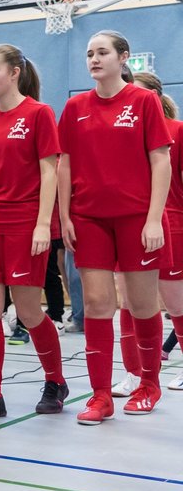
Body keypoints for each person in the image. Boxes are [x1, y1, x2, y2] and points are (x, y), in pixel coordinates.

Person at [58, 31, 172, 424]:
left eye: (102, 52)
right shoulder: (75, 107)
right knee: (96, 306)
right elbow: (65, 164)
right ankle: (101, 396)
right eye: (89, 53)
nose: (94, 59)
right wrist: (65, 215)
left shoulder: (143, 101)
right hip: (89, 218)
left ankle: (149, 384)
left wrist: (155, 217)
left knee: (141, 305)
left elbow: (161, 161)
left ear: (123, 58)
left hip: (137, 217)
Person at [0, 45, 67, 420]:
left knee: (26, 310)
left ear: (15, 72)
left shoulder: (39, 113)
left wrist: (42, 224)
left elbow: (50, 171)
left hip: (25, 222)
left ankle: (56, 381)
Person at [127, 72, 183, 392]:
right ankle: (134, 372)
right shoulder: (125, 134)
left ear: (155, 96)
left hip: (172, 222)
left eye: (137, 93)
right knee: (131, 303)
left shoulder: (177, 130)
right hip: (133, 224)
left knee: (176, 304)